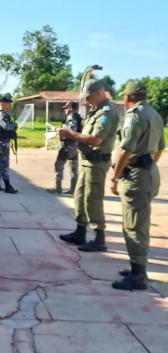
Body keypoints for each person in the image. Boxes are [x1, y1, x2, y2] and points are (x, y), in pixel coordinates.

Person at [109, 80, 164, 290]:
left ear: (127, 97)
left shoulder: (134, 116)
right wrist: (148, 165)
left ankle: (138, 275)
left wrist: (115, 176)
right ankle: (137, 267)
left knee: (133, 225)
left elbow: (125, 150)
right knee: (140, 222)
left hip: (136, 176)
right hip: (149, 172)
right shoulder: (155, 114)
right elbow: (160, 147)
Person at [59, 79, 119, 252]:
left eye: (89, 96)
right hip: (87, 160)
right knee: (80, 197)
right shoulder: (96, 110)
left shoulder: (107, 112)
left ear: (99, 93)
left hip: (97, 162)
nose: (86, 100)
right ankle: (80, 232)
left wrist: (70, 134)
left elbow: (96, 139)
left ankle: (99, 238)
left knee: (93, 199)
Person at [47, 101, 82, 194]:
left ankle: (58, 187)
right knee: (74, 167)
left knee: (59, 165)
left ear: (70, 107)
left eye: (66, 108)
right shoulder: (78, 116)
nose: (65, 110)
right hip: (75, 146)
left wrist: (59, 130)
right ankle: (73, 189)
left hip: (68, 145)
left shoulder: (72, 116)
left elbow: (71, 130)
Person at [0, 93, 18, 193]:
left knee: (0, 164)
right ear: (2, 104)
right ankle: (8, 186)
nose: (10, 105)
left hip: (0, 141)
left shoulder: (0, 113)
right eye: (8, 103)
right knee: (4, 164)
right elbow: (5, 126)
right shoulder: (1, 114)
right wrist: (14, 125)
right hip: (2, 142)